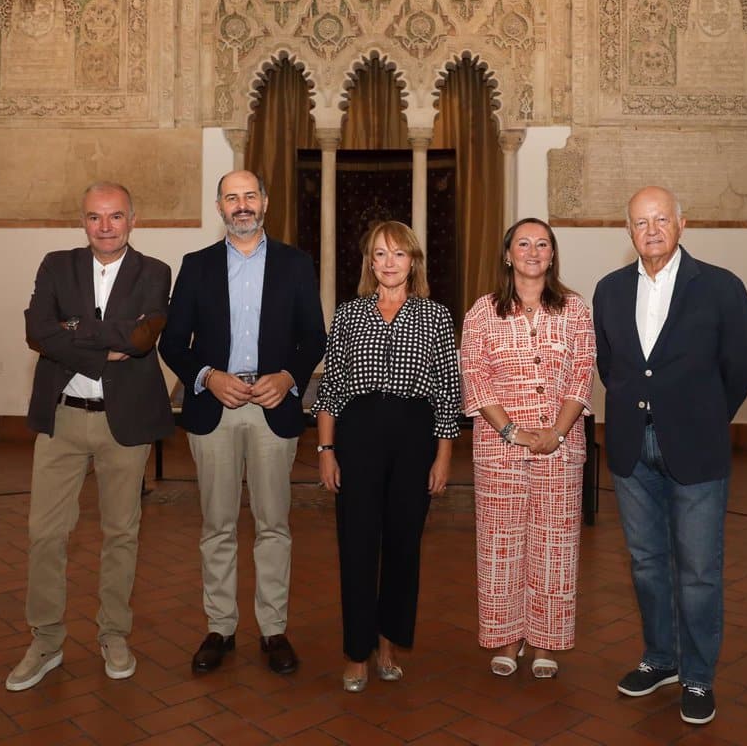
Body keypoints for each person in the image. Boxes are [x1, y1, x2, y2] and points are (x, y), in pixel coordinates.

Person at [593, 186, 747, 725]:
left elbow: (740, 370)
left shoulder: (721, 288)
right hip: (629, 450)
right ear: (629, 232)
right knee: (645, 564)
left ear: (682, 224)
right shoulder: (610, 291)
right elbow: (611, 364)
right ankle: (660, 659)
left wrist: (702, 418)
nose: (652, 230)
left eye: (662, 219)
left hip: (696, 448)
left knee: (699, 571)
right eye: (641, 222)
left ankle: (698, 677)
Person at [7, 182, 175, 691]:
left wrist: (73, 331)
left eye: (115, 217)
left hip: (124, 422)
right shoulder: (57, 265)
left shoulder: (155, 272)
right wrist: (104, 348)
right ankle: (46, 640)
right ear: (83, 221)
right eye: (95, 217)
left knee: (121, 533)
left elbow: (143, 339)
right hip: (61, 420)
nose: (105, 226)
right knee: (45, 534)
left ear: (132, 219)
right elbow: (38, 331)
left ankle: (114, 634)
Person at [159, 170, 326, 675]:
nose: (242, 205)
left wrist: (289, 376)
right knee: (218, 525)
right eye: (232, 197)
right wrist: (207, 377)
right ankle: (221, 627)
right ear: (220, 208)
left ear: (265, 203)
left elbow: (314, 338)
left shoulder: (295, 265)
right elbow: (171, 343)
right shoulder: (196, 267)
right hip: (217, 410)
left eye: (250, 195)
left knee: (274, 525)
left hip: (273, 408)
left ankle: (274, 630)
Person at [312, 221, 461, 693]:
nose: (389, 262)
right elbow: (331, 387)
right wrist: (326, 450)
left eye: (399, 254)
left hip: (414, 438)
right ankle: (356, 652)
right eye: (380, 254)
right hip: (358, 436)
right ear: (370, 263)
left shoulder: (436, 316)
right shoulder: (350, 315)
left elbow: (448, 394)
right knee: (356, 544)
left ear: (413, 261)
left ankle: (388, 641)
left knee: (403, 545)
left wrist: (442, 458)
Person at [460, 217, 595, 680]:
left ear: (553, 255)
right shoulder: (482, 312)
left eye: (543, 244)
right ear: (507, 254)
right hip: (499, 449)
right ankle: (507, 636)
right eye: (524, 243)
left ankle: (545, 641)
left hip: (562, 447)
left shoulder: (575, 310)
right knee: (501, 544)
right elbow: (475, 379)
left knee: (554, 545)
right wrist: (514, 432)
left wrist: (555, 433)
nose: (533, 251)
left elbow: (581, 375)